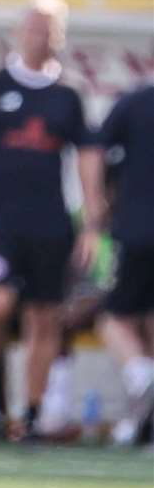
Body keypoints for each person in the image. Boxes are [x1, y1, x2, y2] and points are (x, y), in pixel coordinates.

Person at [0, 0, 105, 443]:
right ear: (19, 32)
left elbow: (87, 158)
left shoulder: (68, 97)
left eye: (49, 29)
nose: (39, 37)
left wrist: (92, 225)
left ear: (59, 38)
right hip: (2, 223)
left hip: (51, 225)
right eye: (33, 27)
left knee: (44, 320)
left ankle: (34, 414)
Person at [96, 78, 154, 443]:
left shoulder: (133, 103)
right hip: (135, 227)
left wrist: (102, 205)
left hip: (136, 231)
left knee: (113, 319)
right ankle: (141, 421)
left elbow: (96, 154)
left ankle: (141, 373)